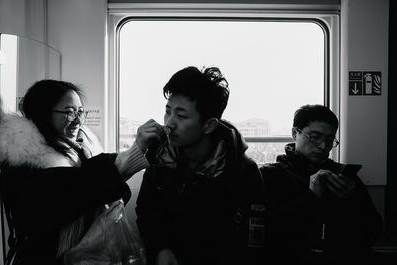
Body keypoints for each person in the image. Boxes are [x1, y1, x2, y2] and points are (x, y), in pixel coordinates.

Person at [0, 79, 165, 265]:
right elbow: (71, 192)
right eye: (69, 113)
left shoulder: (78, 149)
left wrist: (141, 152)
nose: (78, 120)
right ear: (42, 113)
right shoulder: (23, 159)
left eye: (80, 112)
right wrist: (126, 163)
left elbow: (96, 179)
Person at [135, 66, 265, 265]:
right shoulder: (160, 157)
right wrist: (161, 248)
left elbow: (249, 241)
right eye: (167, 111)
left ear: (209, 125)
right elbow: (147, 210)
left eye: (181, 116)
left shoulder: (242, 171)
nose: (169, 123)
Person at [260, 104, 383, 265]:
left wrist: (352, 199)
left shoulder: (343, 176)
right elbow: (266, 231)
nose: (323, 146)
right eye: (315, 136)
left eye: (329, 140)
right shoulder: (271, 175)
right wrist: (311, 197)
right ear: (294, 133)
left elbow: (375, 229)